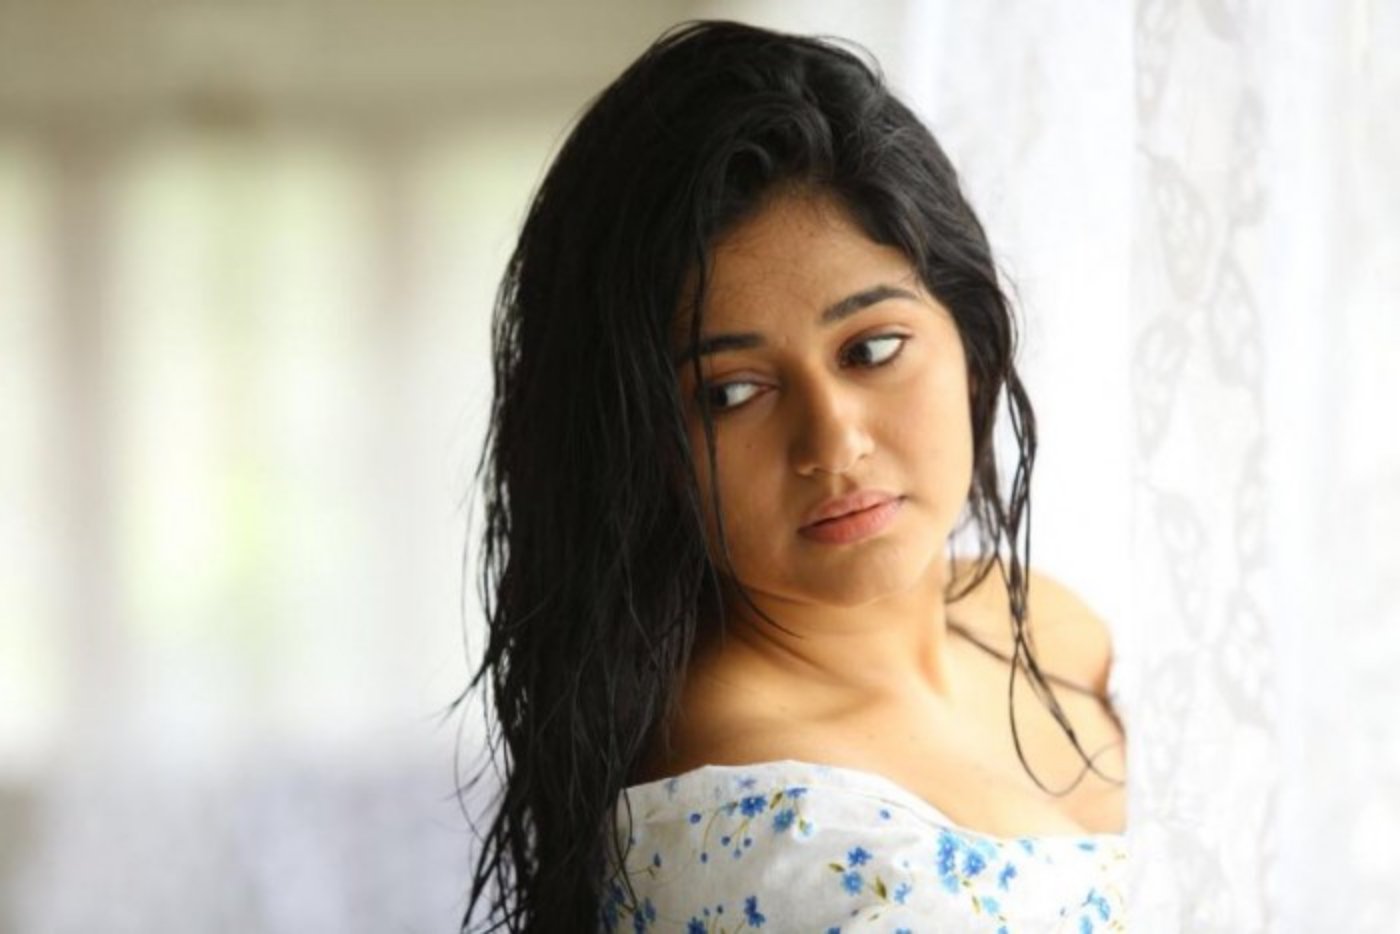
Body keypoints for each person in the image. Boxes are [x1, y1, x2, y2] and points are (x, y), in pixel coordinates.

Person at [456, 19, 1127, 933]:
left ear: (969, 340)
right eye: (732, 392)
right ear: (642, 448)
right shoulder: (758, 827)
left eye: (872, 348)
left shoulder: (1048, 625)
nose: (834, 443)